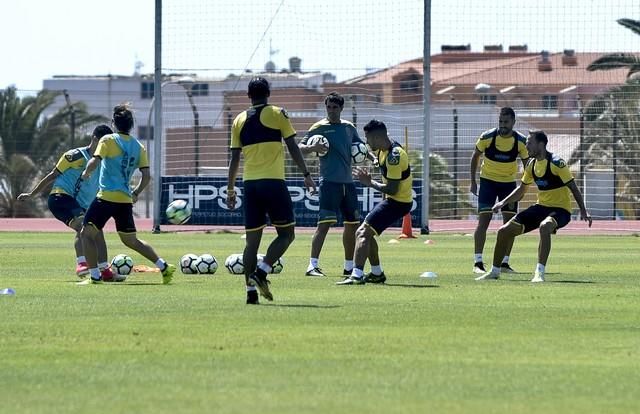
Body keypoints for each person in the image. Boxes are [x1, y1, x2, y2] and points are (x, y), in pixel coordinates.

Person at [227, 77, 316, 304]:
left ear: (248, 96)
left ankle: (250, 294)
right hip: (273, 183)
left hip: (250, 185)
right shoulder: (278, 113)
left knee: (251, 243)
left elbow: (234, 158)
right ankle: (262, 271)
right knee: (287, 234)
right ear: (269, 93)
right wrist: (306, 174)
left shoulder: (238, 120)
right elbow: (293, 147)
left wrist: (230, 189)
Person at [475, 130, 592, 283]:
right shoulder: (531, 164)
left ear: (541, 144)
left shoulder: (557, 163)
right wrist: (503, 202)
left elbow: (573, 188)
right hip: (540, 207)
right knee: (503, 232)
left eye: (530, 143)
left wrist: (583, 210)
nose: (526, 146)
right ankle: (495, 271)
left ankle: (539, 273)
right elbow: (521, 190)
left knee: (545, 227)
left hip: (560, 210)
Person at [80, 103, 176, 284]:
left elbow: (95, 160)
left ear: (114, 123)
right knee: (132, 241)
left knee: (86, 234)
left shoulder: (107, 140)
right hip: (124, 200)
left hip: (106, 197)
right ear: (131, 125)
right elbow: (147, 176)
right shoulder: (139, 146)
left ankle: (94, 276)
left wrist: (86, 173)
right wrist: (136, 192)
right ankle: (164, 266)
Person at [17, 125, 113, 279]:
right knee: (84, 227)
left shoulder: (103, 161)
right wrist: (32, 194)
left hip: (79, 205)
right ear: (95, 139)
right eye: (105, 143)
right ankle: (82, 264)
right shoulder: (75, 155)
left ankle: (105, 271)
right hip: (60, 198)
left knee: (96, 231)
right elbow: (52, 175)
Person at [337, 119, 412, 285]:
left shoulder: (394, 156)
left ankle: (356, 275)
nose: (367, 142)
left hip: (398, 202)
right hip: (395, 201)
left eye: (368, 138)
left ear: (377, 138)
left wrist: (370, 183)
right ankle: (377, 273)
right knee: (367, 233)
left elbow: (392, 189)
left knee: (362, 232)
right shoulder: (383, 149)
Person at [299, 92, 366, 277]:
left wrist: (373, 158)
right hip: (329, 184)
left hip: (348, 184)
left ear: (341, 108)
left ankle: (348, 266)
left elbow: (360, 148)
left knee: (352, 226)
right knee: (324, 225)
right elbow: (299, 148)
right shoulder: (319, 127)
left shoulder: (348, 127)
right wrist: (313, 148)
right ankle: (312, 265)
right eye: (328, 107)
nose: (331, 111)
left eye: (335, 107)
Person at [469, 107, 529, 274]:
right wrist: (473, 182)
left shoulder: (521, 141)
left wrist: (525, 185)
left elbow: (527, 165)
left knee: (510, 226)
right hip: (488, 183)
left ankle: (504, 263)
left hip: (509, 186)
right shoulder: (487, 136)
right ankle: (478, 263)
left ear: (513, 122)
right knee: (483, 222)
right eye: (501, 122)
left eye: (506, 122)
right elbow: (475, 156)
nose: (503, 125)